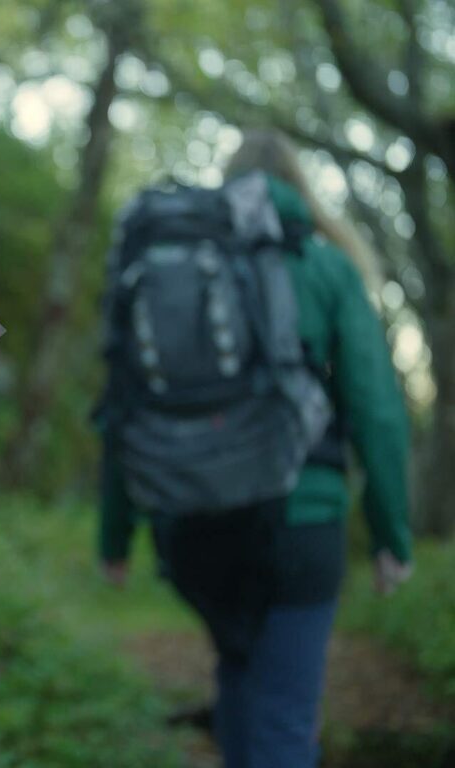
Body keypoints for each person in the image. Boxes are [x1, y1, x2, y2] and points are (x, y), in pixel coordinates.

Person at [96, 129, 413, 768]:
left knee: (241, 684)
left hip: (190, 524)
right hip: (299, 523)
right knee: (285, 724)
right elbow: (377, 410)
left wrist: (115, 535)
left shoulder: (171, 264)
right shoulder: (324, 264)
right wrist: (391, 535)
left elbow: (125, 405)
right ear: (299, 187)